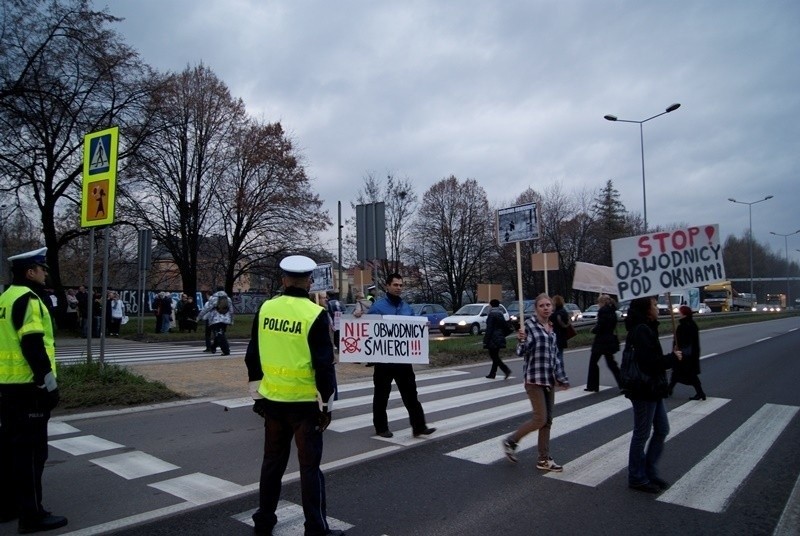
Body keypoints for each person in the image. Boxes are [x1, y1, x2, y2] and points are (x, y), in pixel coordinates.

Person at [245, 255, 343, 536]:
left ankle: (264, 521)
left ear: (283, 280)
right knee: (310, 468)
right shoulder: (314, 314)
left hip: (273, 401)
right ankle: (315, 528)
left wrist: (257, 397)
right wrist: (326, 407)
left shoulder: (265, 309)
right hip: (305, 406)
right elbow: (324, 366)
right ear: (309, 282)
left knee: (272, 463)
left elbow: (253, 355)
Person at [0, 247, 68, 533]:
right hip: (29, 388)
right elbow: (33, 347)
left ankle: (8, 507)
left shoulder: (5, 298)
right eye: (42, 269)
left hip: (7, 387)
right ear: (30, 272)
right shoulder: (29, 300)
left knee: (10, 451)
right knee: (31, 455)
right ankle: (32, 515)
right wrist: (48, 385)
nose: (45, 273)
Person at [355, 273, 436, 439]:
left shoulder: (407, 308)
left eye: (401, 285)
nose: (399, 288)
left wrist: (423, 326)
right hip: (384, 361)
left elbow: (414, 329)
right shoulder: (378, 307)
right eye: (395, 285)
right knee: (381, 396)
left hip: (403, 360)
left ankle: (419, 426)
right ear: (387, 286)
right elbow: (367, 329)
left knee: (411, 395)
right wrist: (358, 316)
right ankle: (381, 427)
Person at [502, 293, 569, 471]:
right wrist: (522, 339)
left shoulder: (551, 327)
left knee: (548, 421)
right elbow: (520, 352)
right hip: (534, 379)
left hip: (548, 379)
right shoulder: (529, 326)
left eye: (548, 305)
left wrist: (561, 378)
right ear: (536, 308)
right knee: (540, 418)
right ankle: (511, 441)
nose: (546, 308)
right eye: (542, 305)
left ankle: (543, 459)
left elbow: (554, 356)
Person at [624, 296, 682, 493]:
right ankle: (637, 476)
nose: (658, 308)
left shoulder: (647, 327)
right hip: (643, 388)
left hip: (652, 388)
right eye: (655, 305)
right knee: (642, 433)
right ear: (646, 309)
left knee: (662, 429)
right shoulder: (641, 330)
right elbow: (650, 362)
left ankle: (648, 470)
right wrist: (673, 359)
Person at [585, 294, 622, 392]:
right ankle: (624, 384)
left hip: (601, 341)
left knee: (593, 362)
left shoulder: (603, 311)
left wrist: (593, 330)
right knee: (612, 364)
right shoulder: (613, 311)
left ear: (602, 302)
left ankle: (592, 385)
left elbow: (601, 326)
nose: (598, 304)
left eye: (599, 302)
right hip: (609, 340)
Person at [669, 305, 706, 400]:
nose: (678, 313)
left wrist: (676, 346)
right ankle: (669, 390)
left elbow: (682, 340)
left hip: (685, 354)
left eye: (680, 312)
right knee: (678, 373)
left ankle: (700, 393)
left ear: (684, 314)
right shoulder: (691, 324)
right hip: (689, 354)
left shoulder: (685, 326)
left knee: (684, 373)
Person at [483, 299, 512, 379]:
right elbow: (505, 327)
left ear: (491, 305)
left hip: (493, 338)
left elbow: (489, 329)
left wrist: (486, 340)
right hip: (499, 337)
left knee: (494, 356)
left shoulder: (491, 315)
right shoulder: (500, 314)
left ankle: (506, 370)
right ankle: (492, 373)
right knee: (495, 355)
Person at [198, 287, 233, 355]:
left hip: (215, 320)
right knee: (220, 334)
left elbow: (206, 309)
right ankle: (213, 347)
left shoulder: (213, 298)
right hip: (225, 320)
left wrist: (199, 317)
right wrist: (231, 320)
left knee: (220, 335)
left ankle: (226, 350)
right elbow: (231, 311)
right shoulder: (228, 299)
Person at [549, 294, 571, 363]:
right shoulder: (564, 312)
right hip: (563, 336)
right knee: (560, 354)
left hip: (557, 336)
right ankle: (561, 371)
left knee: (557, 356)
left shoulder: (555, 314)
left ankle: (559, 371)